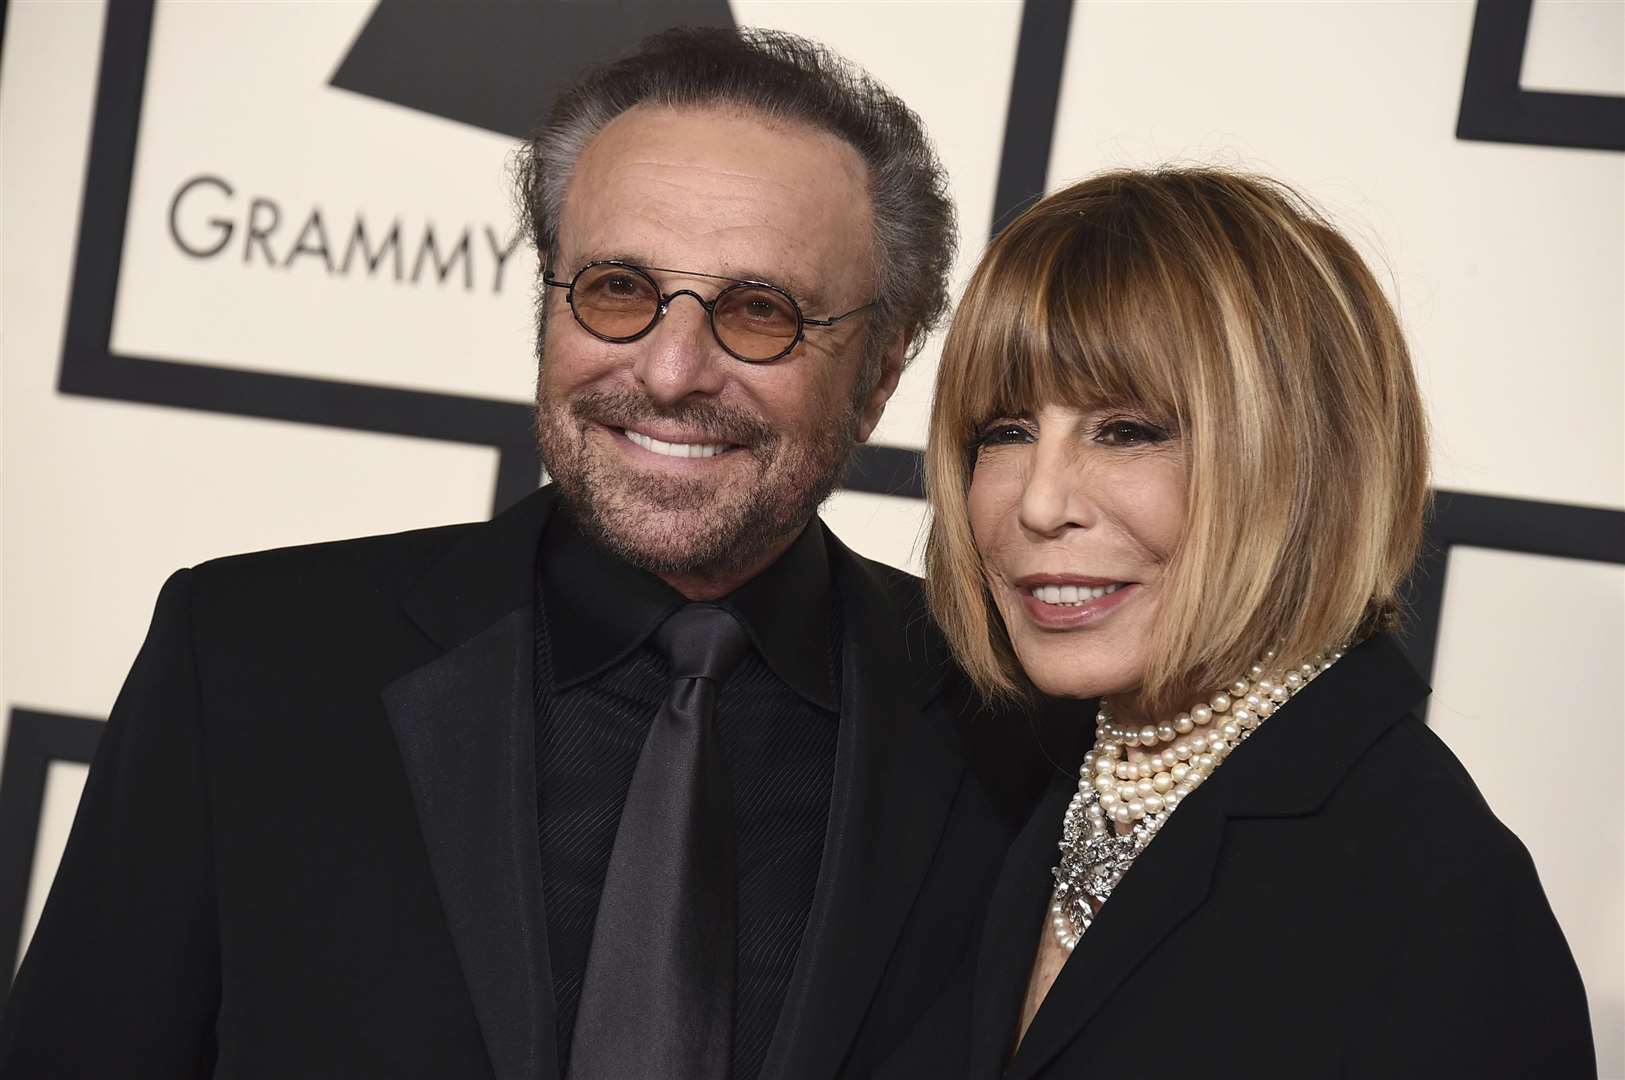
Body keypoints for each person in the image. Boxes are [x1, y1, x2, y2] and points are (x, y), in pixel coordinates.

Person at [0, 29, 1057, 1079]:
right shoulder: (246, 657)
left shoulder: (1012, 725)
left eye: (758, 312)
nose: (672, 368)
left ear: (877, 373)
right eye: (616, 290)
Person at [920, 168, 1596, 1078]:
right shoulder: (989, 770)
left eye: (1128, 430)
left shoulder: (1426, 892)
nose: (1038, 503)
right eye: (1003, 431)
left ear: (1303, 461)